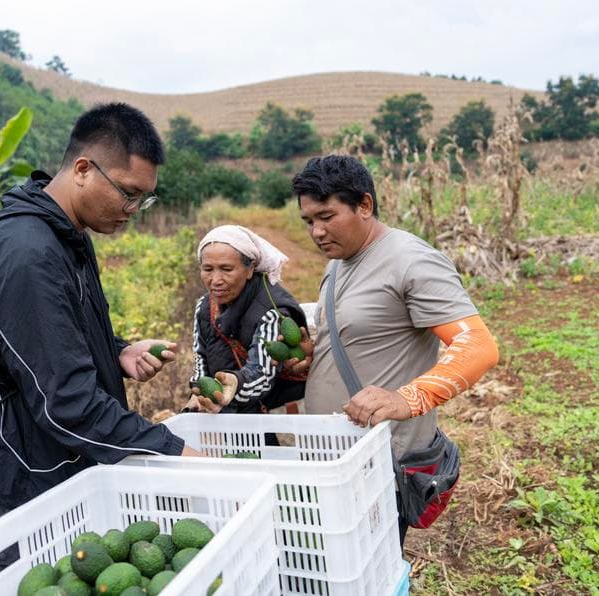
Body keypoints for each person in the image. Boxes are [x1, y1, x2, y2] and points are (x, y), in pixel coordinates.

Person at [0, 103, 202, 568]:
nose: (134, 210)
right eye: (129, 194)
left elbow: (51, 341)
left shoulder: (68, 236)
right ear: (84, 170)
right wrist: (173, 450)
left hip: (76, 472)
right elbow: (64, 402)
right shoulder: (27, 255)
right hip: (38, 488)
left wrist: (118, 352)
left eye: (143, 199)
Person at [290, 154, 499, 545]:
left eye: (326, 216)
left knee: (371, 566)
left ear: (364, 205)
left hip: (382, 460)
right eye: (308, 222)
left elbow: (478, 345)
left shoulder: (410, 260)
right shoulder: (337, 263)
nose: (316, 232)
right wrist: (313, 357)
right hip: (334, 454)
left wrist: (408, 398)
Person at [185, 225, 307, 415]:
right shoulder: (205, 305)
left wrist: (235, 384)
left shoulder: (271, 311)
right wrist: (199, 390)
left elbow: (262, 373)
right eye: (207, 269)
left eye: (226, 269)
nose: (215, 280)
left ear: (250, 269)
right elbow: (201, 354)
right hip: (225, 407)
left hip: (263, 411)